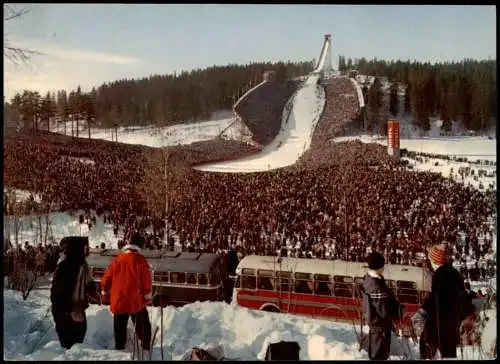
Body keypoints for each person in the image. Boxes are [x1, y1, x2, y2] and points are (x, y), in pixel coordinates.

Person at [419, 243, 475, 359]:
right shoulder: (453, 272)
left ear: (436, 260)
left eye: (431, 259)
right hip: (452, 324)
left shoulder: (440, 276)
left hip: (442, 328)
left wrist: (423, 315)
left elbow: (437, 306)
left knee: (434, 352)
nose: (430, 262)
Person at [101, 233, 152, 357]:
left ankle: (119, 350)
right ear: (139, 246)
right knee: (143, 326)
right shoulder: (141, 261)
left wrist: (105, 290)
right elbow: (147, 283)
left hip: (119, 301)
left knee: (119, 328)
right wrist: (147, 296)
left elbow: (106, 280)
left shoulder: (117, 259)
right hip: (136, 301)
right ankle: (145, 348)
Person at [50, 236, 94, 350]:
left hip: (73, 315)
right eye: (85, 248)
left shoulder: (81, 266)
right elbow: (56, 294)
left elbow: (88, 286)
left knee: (72, 350)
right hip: (69, 316)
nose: (87, 251)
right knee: (72, 350)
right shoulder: (68, 267)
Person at [361, 252, 402, 360]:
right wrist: (398, 313)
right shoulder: (376, 287)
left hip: (375, 325)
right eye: (382, 266)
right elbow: (383, 310)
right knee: (380, 354)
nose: (384, 268)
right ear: (379, 267)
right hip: (380, 326)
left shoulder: (367, 279)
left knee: (376, 352)